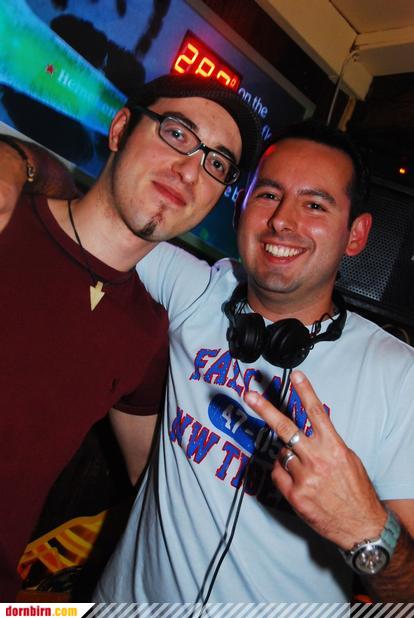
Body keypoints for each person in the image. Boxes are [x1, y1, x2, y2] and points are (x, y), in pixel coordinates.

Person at [94, 121, 414, 603]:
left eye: (314, 205)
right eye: (268, 195)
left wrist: (365, 528)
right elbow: (87, 216)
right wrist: (23, 165)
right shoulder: (196, 291)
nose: (282, 220)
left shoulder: (399, 378)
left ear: (356, 234)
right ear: (240, 208)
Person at [0, 74, 263, 600]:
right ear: (120, 128)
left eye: (216, 164)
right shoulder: (6, 218)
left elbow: (154, 480)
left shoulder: (146, 332)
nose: (190, 170)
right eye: (177, 134)